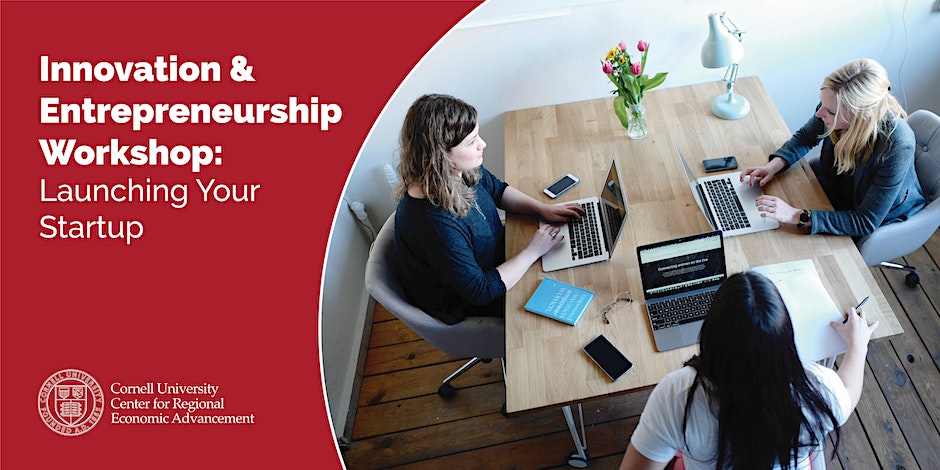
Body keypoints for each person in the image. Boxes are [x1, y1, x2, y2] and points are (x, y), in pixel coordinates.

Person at [620, 271, 879, 470]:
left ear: (711, 334)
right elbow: (849, 391)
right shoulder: (818, 390)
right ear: (785, 338)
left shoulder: (678, 395)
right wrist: (858, 344)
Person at [393, 94, 584, 324]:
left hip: (498, 259)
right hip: (471, 301)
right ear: (440, 155)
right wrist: (533, 251)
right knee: (575, 287)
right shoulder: (434, 224)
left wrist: (541, 209)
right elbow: (480, 291)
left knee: (573, 262)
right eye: (471, 142)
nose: (482, 144)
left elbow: (497, 190)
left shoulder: (453, 173)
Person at [743, 58, 925, 236]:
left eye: (830, 111)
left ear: (861, 116)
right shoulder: (832, 104)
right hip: (839, 187)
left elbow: (865, 221)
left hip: (874, 214)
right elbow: (805, 138)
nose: (819, 113)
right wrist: (773, 166)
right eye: (822, 104)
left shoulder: (897, 145)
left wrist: (795, 215)